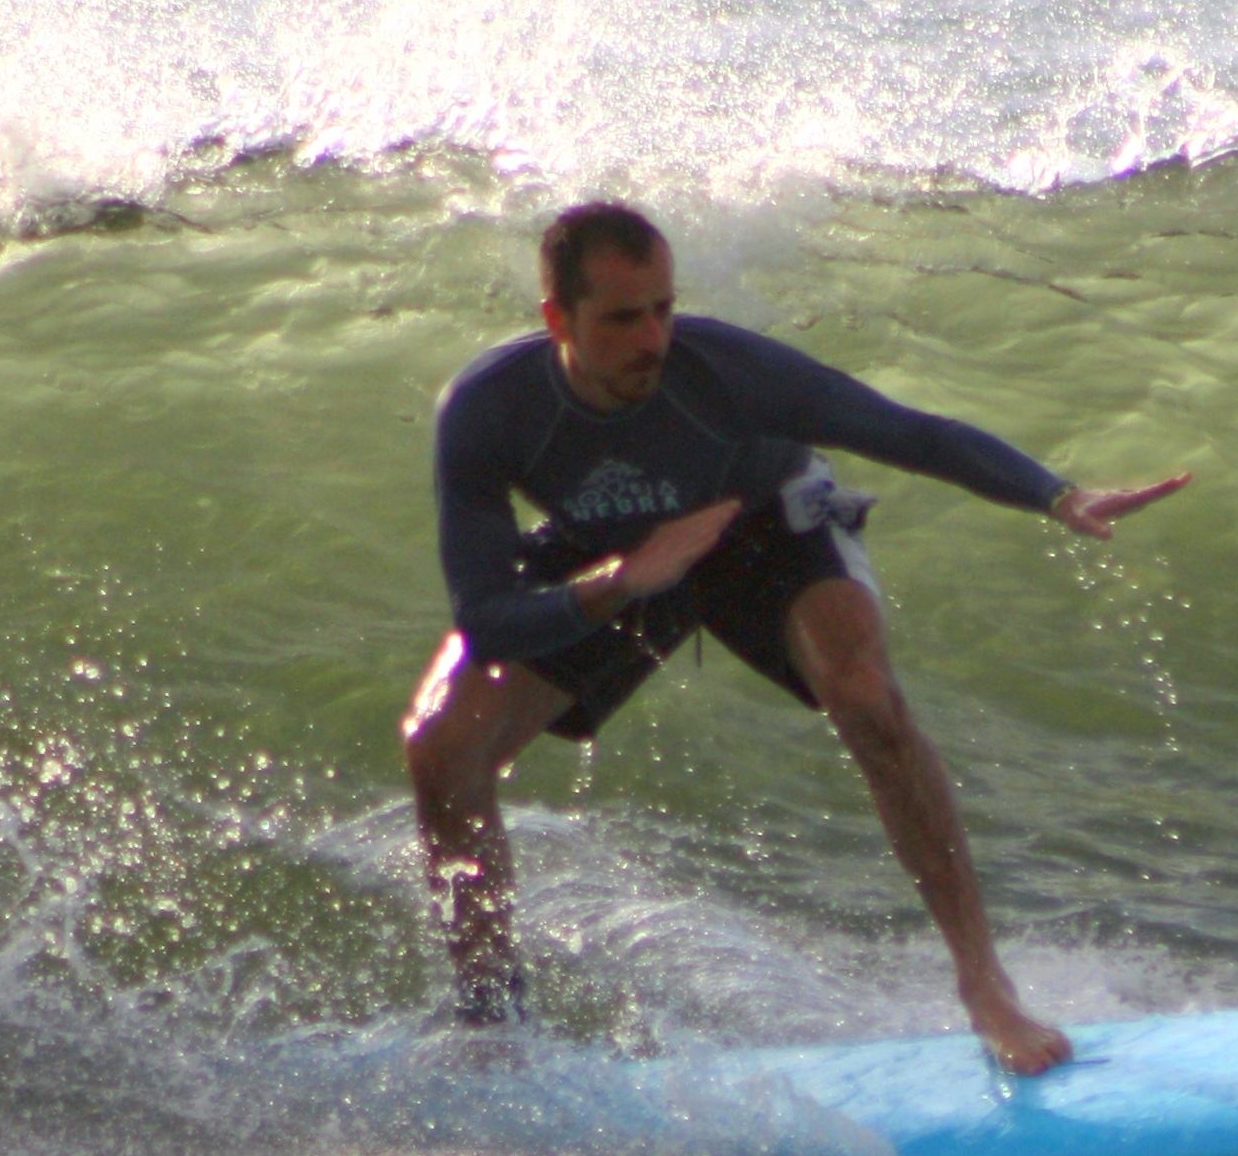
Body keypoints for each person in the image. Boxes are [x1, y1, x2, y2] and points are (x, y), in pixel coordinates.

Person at [402, 201, 1188, 1074]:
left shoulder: (729, 371)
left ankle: (985, 987)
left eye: (662, 308)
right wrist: (620, 582)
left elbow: (908, 433)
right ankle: (493, 1025)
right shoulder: (488, 409)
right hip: (618, 553)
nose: (653, 338)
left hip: (763, 521)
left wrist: (1054, 494)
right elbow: (483, 614)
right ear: (558, 319)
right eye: (622, 318)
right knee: (441, 747)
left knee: (864, 696)